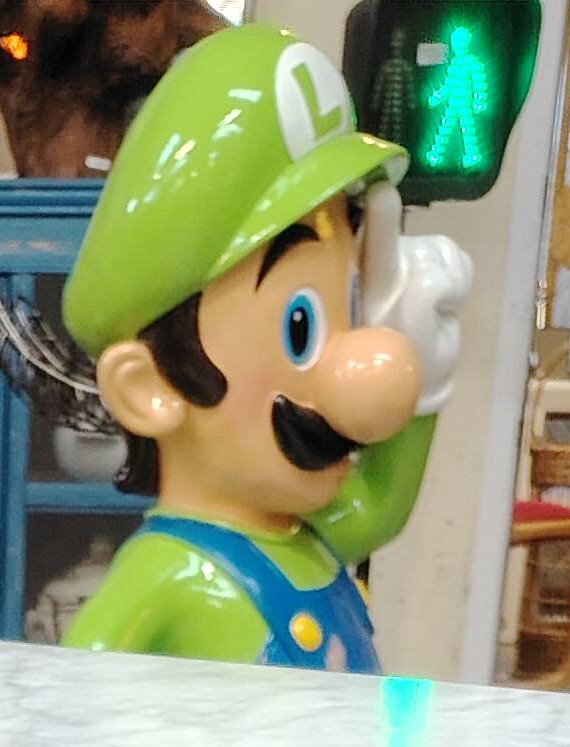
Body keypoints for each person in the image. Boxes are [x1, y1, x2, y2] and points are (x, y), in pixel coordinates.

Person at [60, 28, 469, 672]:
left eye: (351, 307)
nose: (362, 365)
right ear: (149, 388)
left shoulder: (308, 533)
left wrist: (430, 378)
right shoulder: (171, 573)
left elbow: (379, 510)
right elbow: (72, 688)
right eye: (300, 327)